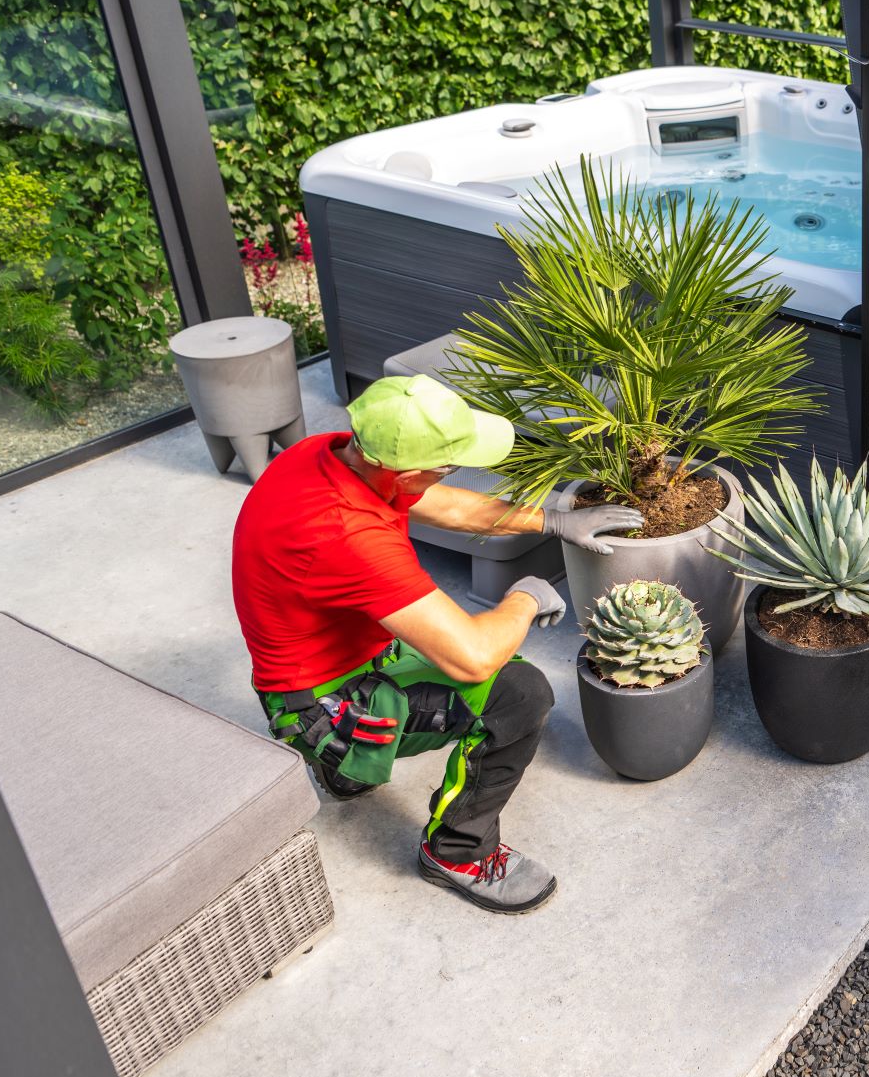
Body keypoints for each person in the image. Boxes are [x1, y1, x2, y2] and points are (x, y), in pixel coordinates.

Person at [230, 374, 639, 913]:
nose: (450, 473)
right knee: (518, 693)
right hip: (322, 706)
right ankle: (457, 851)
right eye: (446, 463)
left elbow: (443, 505)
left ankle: (346, 770)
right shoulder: (347, 536)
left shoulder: (323, 455)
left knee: (442, 648)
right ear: (404, 472)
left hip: (326, 667)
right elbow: (473, 657)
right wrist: (526, 597)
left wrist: (553, 521)